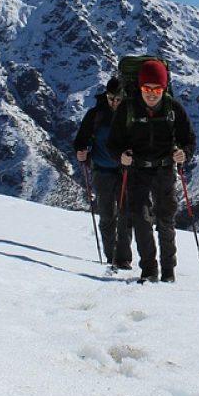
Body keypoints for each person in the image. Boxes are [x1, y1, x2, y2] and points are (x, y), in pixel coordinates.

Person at [107, 60, 196, 283]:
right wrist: (121, 156)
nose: (152, 94)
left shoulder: (174, 109)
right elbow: (112, 144)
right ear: (139, 87)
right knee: (140, 218)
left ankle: (168, 270)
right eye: (147, 89)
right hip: (137, 170)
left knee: (166, 219)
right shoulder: (127, 109)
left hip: (165, 169)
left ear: (164, 88)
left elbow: (189, 140)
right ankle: (149, 269)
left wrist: (184, 153)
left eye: (157, 89)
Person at [73, 78, 133, 270]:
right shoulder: (96, 115)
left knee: (125, 215)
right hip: (102, 171)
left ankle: (123, 258)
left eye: (117, 99)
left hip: (124, 171)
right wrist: (81, 151)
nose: (114, 102)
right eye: (110, 98)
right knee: (108, 216)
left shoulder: (131, 116)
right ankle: (112, 256)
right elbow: (81, 139)